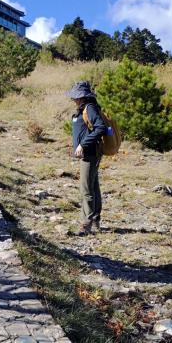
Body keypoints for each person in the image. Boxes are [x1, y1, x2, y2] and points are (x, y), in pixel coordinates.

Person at [66, 81, 107, 235]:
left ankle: (86, 223)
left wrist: (83, 145)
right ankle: (95, 220)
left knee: (86, 189)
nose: (73, 99)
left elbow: (100, 127)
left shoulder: (89, 108)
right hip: (89, 153)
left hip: (90, 153)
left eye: (75, 97)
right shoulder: (85, 108)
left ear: (82, 97)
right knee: (93, 186)